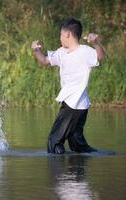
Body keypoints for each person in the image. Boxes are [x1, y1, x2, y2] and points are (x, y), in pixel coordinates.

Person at [31, 17, 106, 154]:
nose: (60, 37)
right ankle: (78, 174)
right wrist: (36, 51)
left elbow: (100, 56)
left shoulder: (85, 51)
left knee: (54, 141)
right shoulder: (61, 52)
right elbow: (44, 61)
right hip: (82, 106)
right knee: (77, 144)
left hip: (72, 104)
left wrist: (95, 43)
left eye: (60, 34)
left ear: (67, 34)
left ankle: (60, 175)